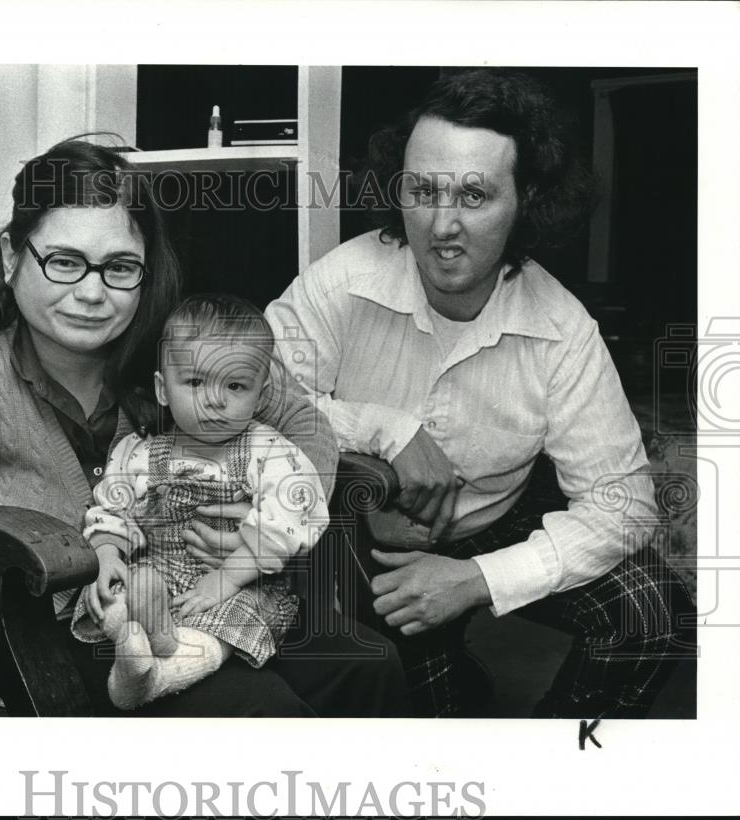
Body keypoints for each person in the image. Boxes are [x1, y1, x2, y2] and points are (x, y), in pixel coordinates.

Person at [0, 136, 408, 717]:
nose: (92, 292)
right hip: (52, 626)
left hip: (208, 591)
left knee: (370, 667)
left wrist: (257, 533)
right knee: (259, 710)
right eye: (64, 261)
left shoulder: (175, 350)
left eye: (118, 267)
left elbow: (303, 421)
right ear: (13, 258)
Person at [265, 70, 696, 718]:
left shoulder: (562, 329)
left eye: (474, 194)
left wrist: (476, 582)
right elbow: (256, 391)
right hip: (367, 530)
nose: (443, 225)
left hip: (500, 518)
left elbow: (625, 505)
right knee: (428, 721)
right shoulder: (344, 280)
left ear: (526, 201)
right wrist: (384, 430)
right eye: (424, 191)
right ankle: (451, 679)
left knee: (650, 613)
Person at [70, 294, 330, 710]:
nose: (214, 400)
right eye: (194, 382)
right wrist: (105, 550)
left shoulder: (271, 453)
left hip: (235, 583)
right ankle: (132, 636)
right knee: (114, 591)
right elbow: (111, 506)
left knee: (224, 628)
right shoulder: (138, 453)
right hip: (155, 574)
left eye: (235, 385)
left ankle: (154, 676)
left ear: (261, 395)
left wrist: (225, 580)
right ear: (162, 389)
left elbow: (290, 522)